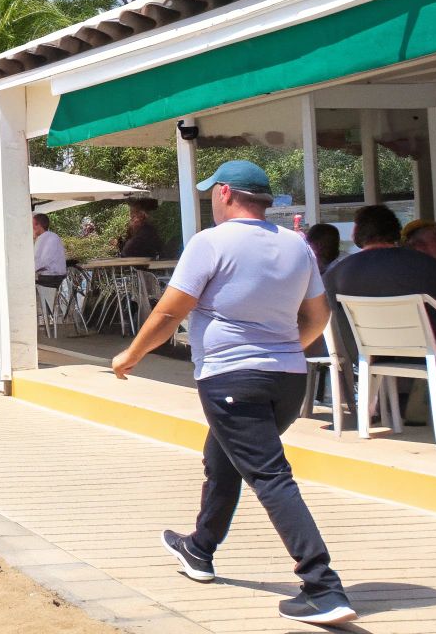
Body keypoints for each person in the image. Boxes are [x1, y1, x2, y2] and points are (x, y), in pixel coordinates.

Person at [111, 160, 353, 626]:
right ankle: (199, 549)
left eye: (211, 194)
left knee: (269, 475)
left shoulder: (211, 242)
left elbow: (168, 313)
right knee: (223, 459)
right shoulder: (297, 246)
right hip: (287, 378)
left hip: (230, 379)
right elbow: (318, 317)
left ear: (224, 192)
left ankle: (322, 586)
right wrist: (280, 350)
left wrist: (131, 356)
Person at [325, 205, 436, 426]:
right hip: (429, 353)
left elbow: (331, 321)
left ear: (357, 234)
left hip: (369, 355)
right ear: (395, 230)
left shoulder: (337, 273)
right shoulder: (423, 264)